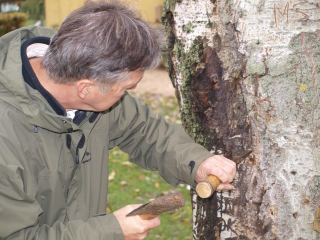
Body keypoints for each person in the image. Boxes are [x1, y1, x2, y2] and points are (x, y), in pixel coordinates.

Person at [0, 0, 236, 239]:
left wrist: (196, 163)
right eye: (125, 88)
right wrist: (111, 230)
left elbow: (143, 130)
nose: (127, 95)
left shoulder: (81, 64)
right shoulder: (5, 137)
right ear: (85, 89)